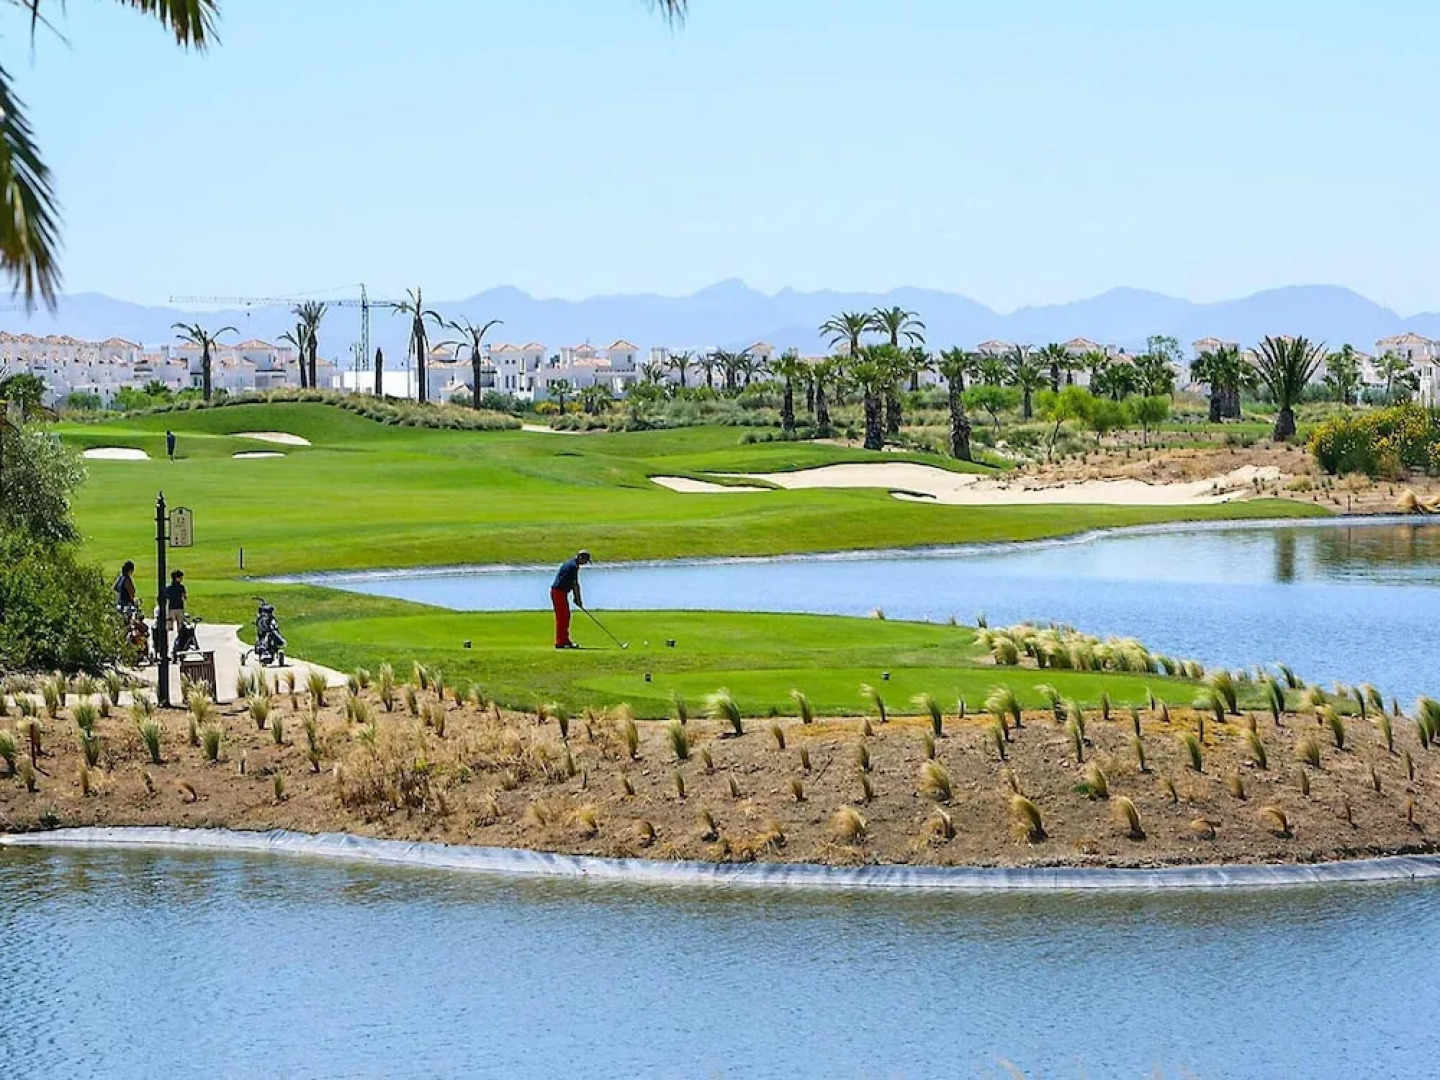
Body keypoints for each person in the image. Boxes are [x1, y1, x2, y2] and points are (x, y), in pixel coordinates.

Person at [550, 550, 591, 649]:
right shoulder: (572, 566)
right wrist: (578, 599)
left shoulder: (571, 564)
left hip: (561, 592)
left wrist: (576, 598)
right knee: (562, 617)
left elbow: (573, 584)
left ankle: (565, 640)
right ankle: (560, 642)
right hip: (558, 592)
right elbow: (575, 584)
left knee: (566, 616)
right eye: (585, 560)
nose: (585, 563)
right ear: (581, 557)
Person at [165, 569, 187, 639]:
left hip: (172, 608)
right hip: (178, 608)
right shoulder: (181, 587)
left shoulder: (169, 588)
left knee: (170, 626)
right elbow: (184, 597)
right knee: (179, 626)